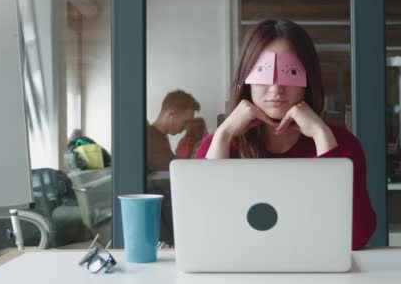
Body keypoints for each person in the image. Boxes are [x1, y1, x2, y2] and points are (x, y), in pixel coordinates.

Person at [195, 18, 376, 250]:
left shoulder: (341, 144)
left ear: (308, 81)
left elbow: (355, 237)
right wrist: (223, 135)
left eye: (290, 72)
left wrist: (323, 137)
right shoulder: (219, 144)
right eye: (263, 72)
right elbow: (202, 231)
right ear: (246, 79)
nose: (276, 88)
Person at [147, 90, 200, 245]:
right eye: (184, 122)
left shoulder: (158, 137)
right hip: (160, 211)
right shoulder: (151, 138)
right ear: (170, 114)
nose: (184, 128)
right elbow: (172, 171)